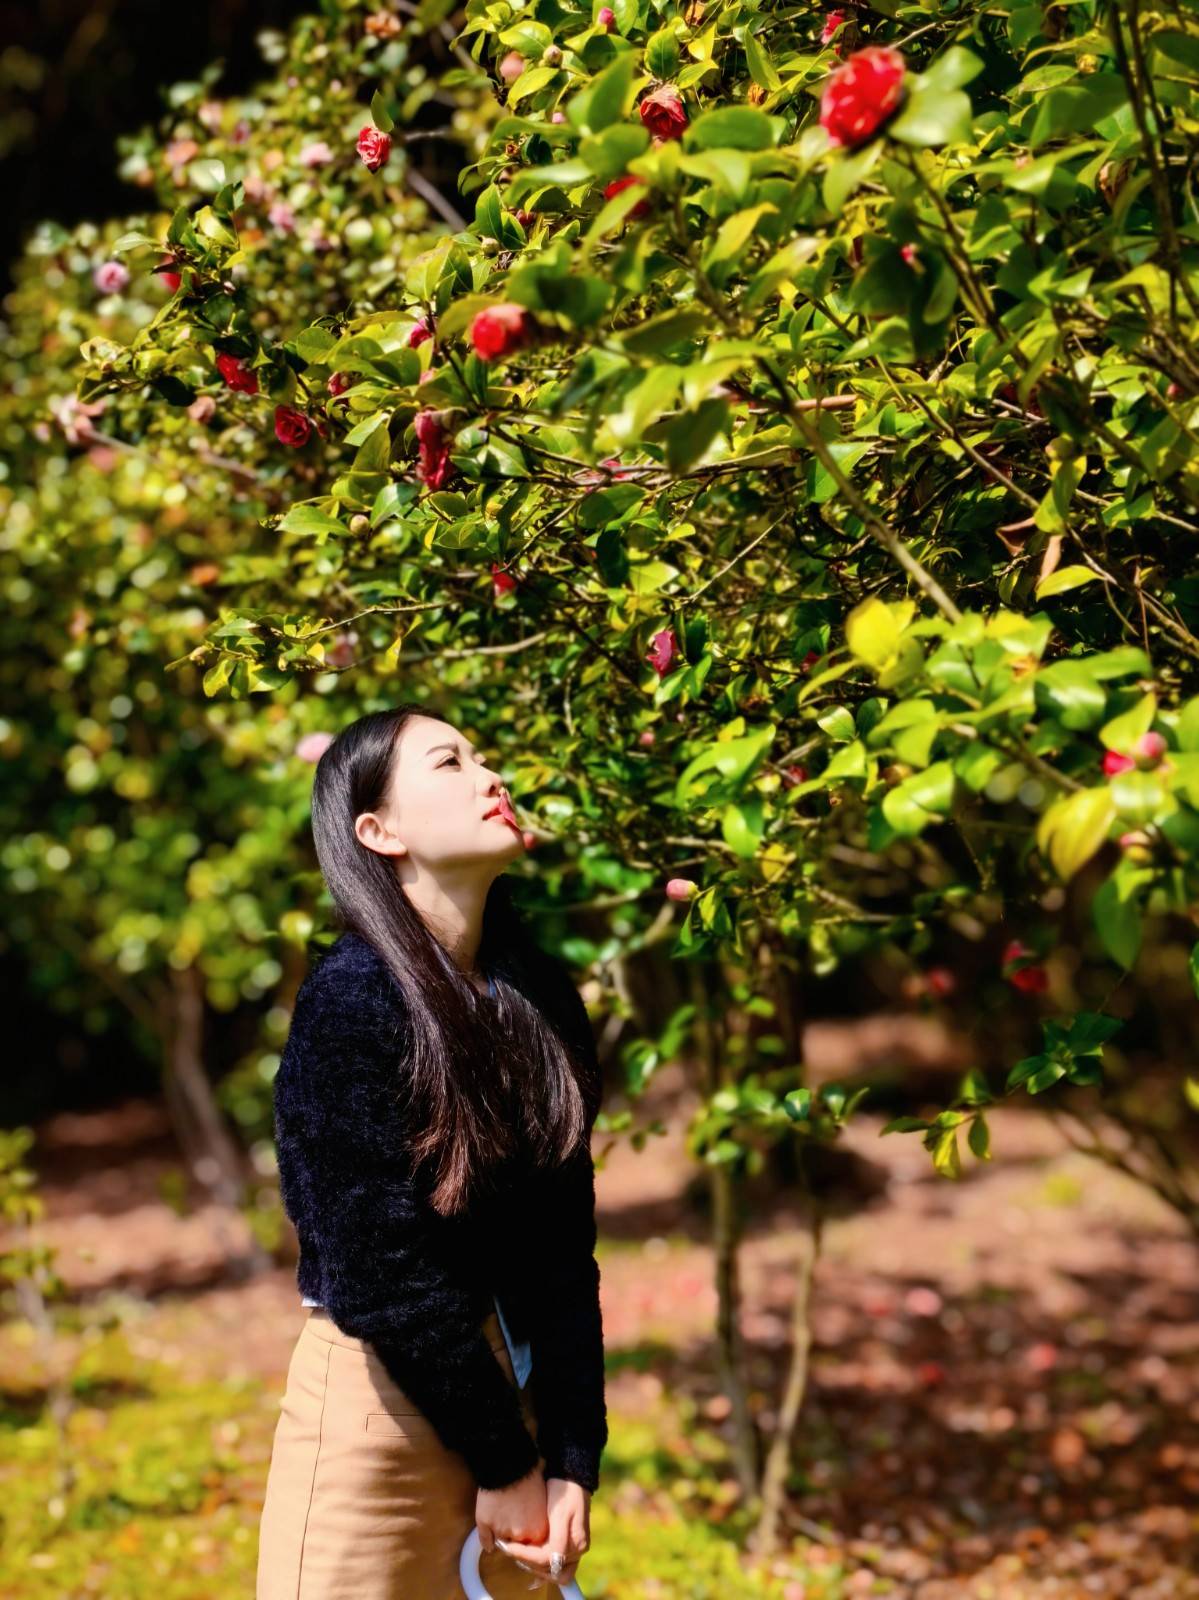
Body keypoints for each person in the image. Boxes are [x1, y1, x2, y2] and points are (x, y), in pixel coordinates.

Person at [256, 704, 607, 1599]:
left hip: (516, 1404)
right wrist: (505, 1460)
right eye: (450, 763)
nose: (493, 778)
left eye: (485, 757)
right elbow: (382, 1276)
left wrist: (569, 1453)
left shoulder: (534, 996)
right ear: (379, 831)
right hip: (382, 1418)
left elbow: (564, 1252)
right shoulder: (350, 1004)